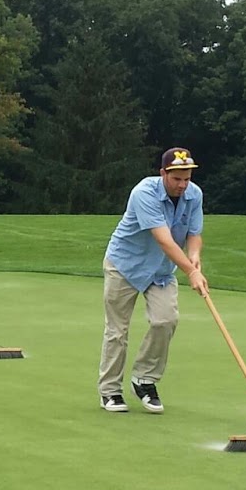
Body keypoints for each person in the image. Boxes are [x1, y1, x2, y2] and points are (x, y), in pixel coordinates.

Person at [98, 147, 209, 414]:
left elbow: (194, 233)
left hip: (160, 271)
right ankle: (110, 390)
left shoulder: (194, 195)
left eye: (187, 178)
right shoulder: (144, 193)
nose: (183, 185)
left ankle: (145, 379)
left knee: (166, 320)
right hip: (124, 264)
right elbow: (164, 240)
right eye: (176, 179)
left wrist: (194, 257)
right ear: (163, 174)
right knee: (117, 330)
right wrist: (191, 272)